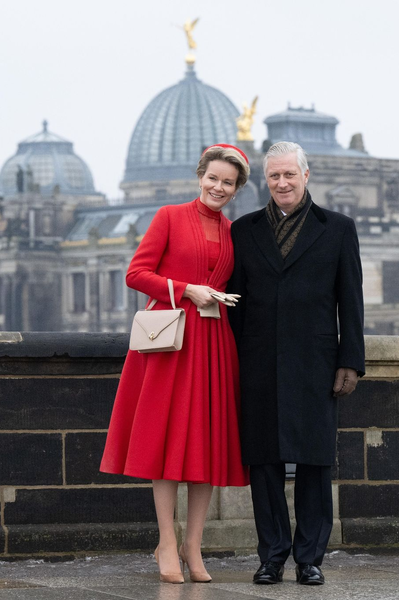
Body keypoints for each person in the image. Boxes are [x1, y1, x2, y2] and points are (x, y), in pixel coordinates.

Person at [101, 144, 251, 584]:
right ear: (199, 176)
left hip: (214, 342)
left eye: (228, 183)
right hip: (170, 344)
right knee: (165, 443)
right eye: (213, 179)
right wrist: (186, 289)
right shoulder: (169, 216)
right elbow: (136, 273)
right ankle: (166, 540)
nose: (218, 188)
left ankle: (193, 546)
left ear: (237, 188)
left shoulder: (232, 230)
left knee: (206, 444)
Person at [228, 141, 365, 586]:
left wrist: (352, 361)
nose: (282, 183)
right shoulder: (243, 229)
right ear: (264, 181)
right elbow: (236, 305)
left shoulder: (339, 228)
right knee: (263, 464)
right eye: (274, 177)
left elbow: (351, 301)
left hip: (317, 361)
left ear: (306, 176)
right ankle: (271, 557)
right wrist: (232, 360)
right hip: (259, 361)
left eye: (289, 175)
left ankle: (310, 558)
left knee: (314, 462)